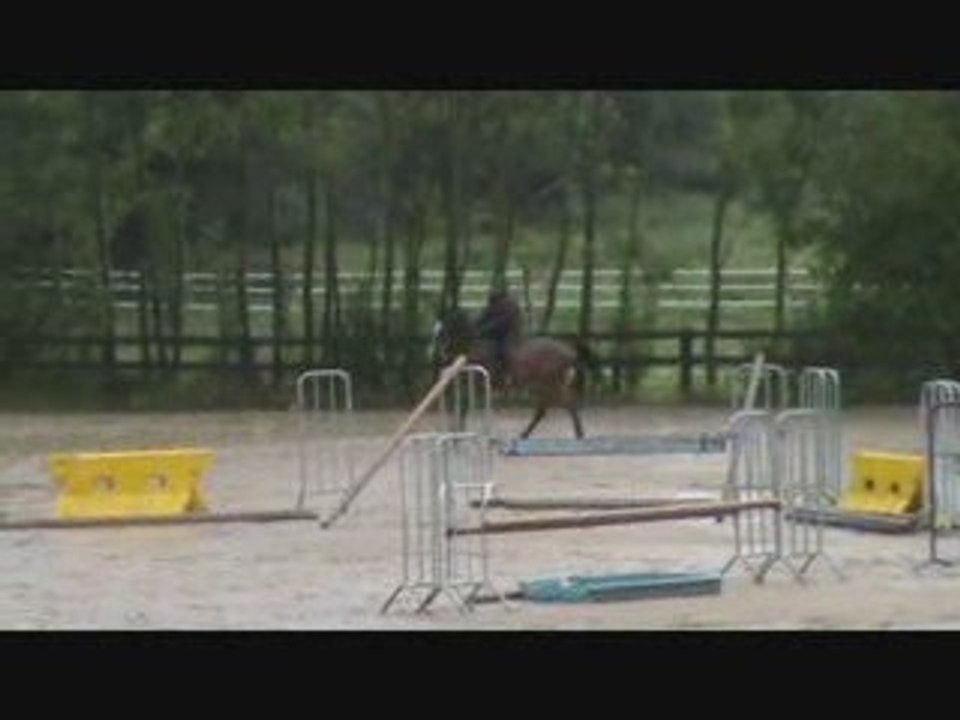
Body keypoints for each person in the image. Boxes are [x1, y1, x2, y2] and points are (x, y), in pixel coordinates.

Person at [473, 289, 522, 385]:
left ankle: (508, 375)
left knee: (506, 351)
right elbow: (482, 317)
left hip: (508, 335)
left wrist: (483, 330)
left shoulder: (509, 308)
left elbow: (500, 323)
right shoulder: (493, 306)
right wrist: (473, 328)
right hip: (495, 335)